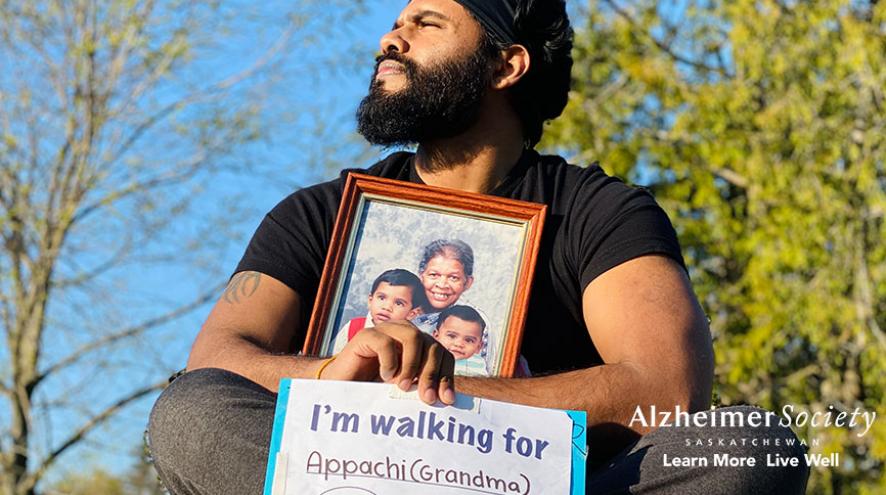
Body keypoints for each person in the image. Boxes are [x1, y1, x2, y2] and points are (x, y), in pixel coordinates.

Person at [147, 1, 809, 494]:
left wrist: (450, 392)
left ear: (505, 64)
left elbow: (665, 389)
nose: (391, 37)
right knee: (189, 414)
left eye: (427, 23)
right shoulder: (316, 212)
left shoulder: (603, 212)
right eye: (398, 21)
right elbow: (218, 361)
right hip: (344, 473)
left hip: (535, 480)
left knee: (746, 444)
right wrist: (334, 376)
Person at [330, 268, 427, 353]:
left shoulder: (410, 340)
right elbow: (331, 362)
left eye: (398, 303)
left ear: (412, 313)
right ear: (370, 301)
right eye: (381, 298)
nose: (386, 307)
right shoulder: (352, 327)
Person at [411, 239, 475, 334]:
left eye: (453, 277)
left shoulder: (473, 323)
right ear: (421, 276)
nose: (442, 285)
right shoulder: (405, 309)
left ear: (467, 283)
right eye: (433, 275)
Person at [432, 305, 490, 376]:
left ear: (478, 347)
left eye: (469, 340)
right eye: (451, 336)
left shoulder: (478, 364)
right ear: (436, 336)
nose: (459, 344)